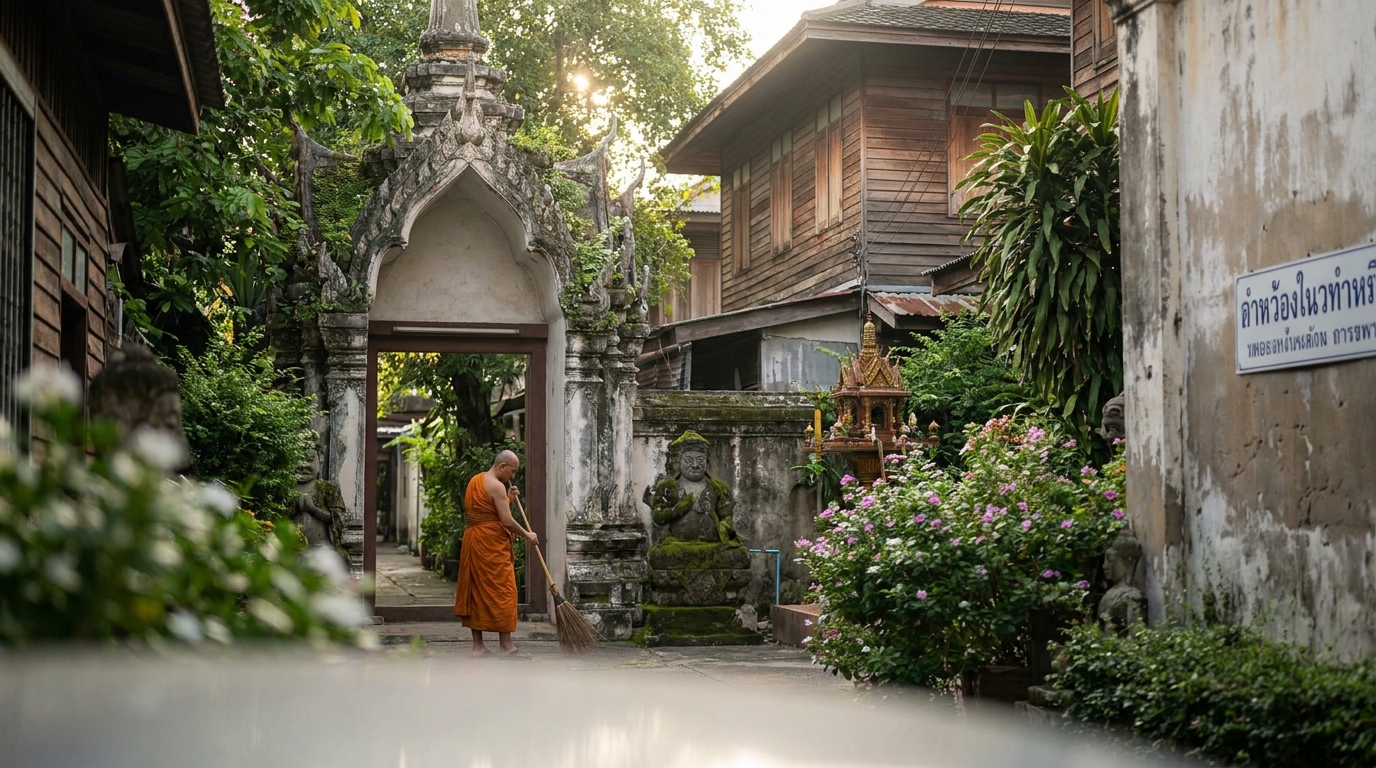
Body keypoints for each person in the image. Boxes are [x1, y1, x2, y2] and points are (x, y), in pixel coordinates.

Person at [453, 450, 538, 658]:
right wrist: (527, 534)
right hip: (490, 544)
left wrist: (508, 498)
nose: (513, 476)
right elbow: (506, 521)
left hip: (473, 540)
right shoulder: (497, 486)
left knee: (476, 591)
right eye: (512, 471)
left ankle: (478, 647)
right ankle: (506, 646)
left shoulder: (475, 480)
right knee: (504, 590)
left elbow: (487, 512)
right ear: (502, 466)